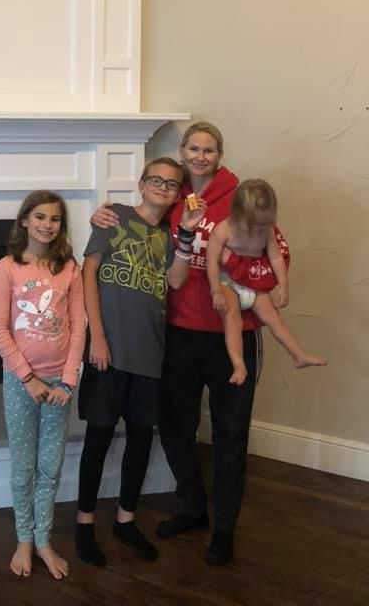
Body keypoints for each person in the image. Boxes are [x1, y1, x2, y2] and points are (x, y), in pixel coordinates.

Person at [89, 122, 256, 566]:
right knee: (177, 427)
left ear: (219, 154)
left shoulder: (238, 197)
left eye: (210, 149)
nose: (201, 156)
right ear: (182, 152)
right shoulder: (172, 198)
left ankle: (224, 529)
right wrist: (103, 214)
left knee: (229, 433)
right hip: (178, 332)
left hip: (230, 333)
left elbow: (267, 249)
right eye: (193, 149)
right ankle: (193, 507)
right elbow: (133, 230)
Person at [74, 157, 206, 568]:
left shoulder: (170, 235)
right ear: (142, 183)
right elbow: (88, 273)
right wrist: (97, 336)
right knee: (98, 436)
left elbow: (177, 280)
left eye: (172, 184)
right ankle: (84, 522)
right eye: (157, 181)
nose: (164, 188)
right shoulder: (114, 217)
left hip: (150, 353)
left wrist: (185, 233)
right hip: (107, 350)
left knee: (140, 438)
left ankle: (126, 519)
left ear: (178, 192)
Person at [0, 190, 86, 580]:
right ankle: (23, 539)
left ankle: (44, 539)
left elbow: (79, 326)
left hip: (59, 385)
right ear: (25, 221)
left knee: (50, 465)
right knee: (23, 465)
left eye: (55, 219)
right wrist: (26, 378)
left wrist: (68, 381)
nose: (48, 225)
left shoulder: (69, 269)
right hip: (20, 383)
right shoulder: (8, 268)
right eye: (40, 217)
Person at [207, 178, 326, 385]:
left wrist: (283, 286)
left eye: (264, 224)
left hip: (252, 281)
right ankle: (238, 364)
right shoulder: (223, 230)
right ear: (236, 213)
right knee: (233, 319)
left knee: (274, 318)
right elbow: (211, 262)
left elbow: (276, 258)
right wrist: (216, 290)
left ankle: (298, 355)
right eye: (252, 224)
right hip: (228, 281)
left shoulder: (267, 231)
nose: (257, 229)